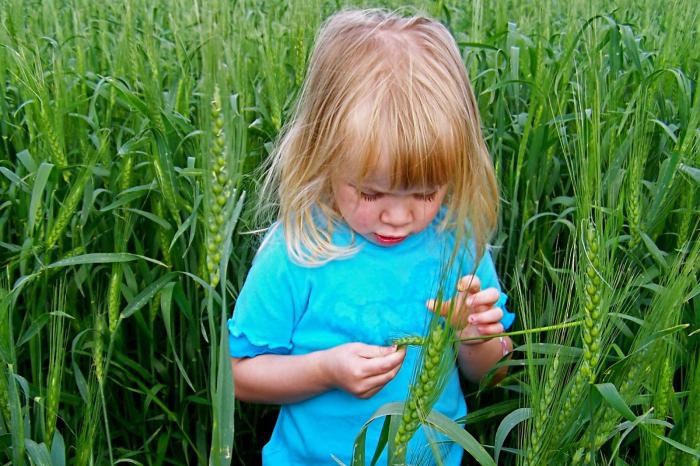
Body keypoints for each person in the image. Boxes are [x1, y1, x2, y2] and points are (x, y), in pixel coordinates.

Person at [228, 8, 515, 465]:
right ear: (322, 153)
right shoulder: (298, 248)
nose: (397, 217)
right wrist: (325, 371)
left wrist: (475, 337)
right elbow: (238, 377)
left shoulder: (458, 240)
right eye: (370, 192)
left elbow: (492, 374)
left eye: (425, 193)